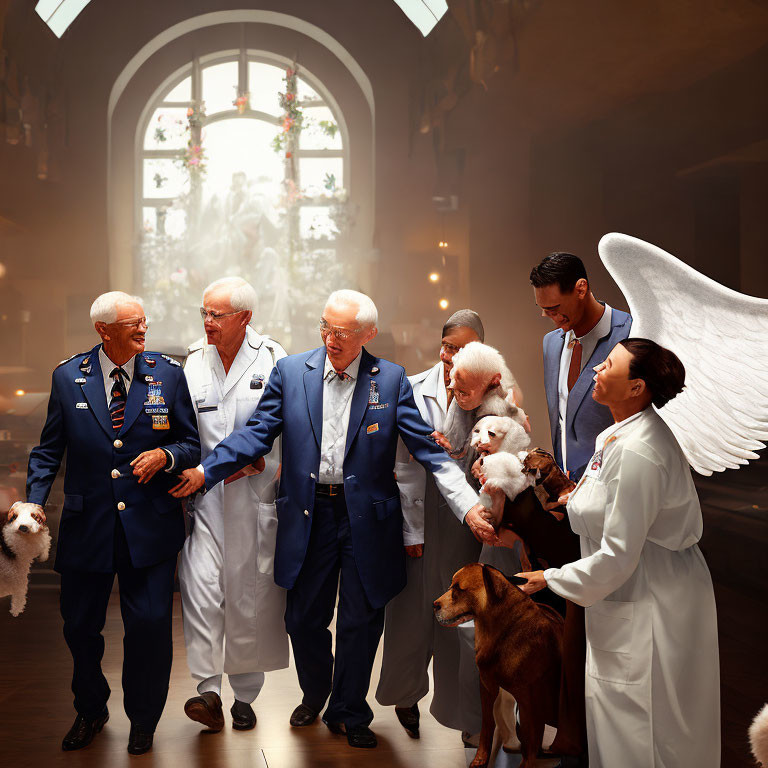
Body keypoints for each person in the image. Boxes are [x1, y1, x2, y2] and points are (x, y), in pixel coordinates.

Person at [168, 289, 493, 749]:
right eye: (325, 327)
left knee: (361, 622)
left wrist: (468, 506)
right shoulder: (291, 372)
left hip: (367, 521)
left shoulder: (391, 380)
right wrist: (205, 471)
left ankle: (349, 710)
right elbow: (257, 434)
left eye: (341, 332)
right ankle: (317, 691)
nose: (330, 338)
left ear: (367, 335)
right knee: (302, 618)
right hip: (309, 514)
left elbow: (429, 453)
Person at [517, 338, 720, 767]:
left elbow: (619, 554)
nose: (595, 371)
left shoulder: (638, 450)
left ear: (636, 388)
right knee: (620, 716)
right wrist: (563, 499)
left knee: (643, 727)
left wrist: (549, 578)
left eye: (608, 365)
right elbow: (604, 505)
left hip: (650, 598)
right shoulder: (616, 435)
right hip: (627, 592)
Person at [24, 291, 200, 755]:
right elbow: (48, 450)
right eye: (132, 324)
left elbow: (191, 444)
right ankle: (91, 709)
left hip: (150, 528)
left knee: (150, 627)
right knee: (80, 627)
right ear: (103, 330)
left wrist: (166, 454)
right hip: (88, 527)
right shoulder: (68, 377)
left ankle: (144, 719)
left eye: (144, 321)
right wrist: (34, 501)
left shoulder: (168, 373)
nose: (143, 330)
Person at [178, 277, 289, 732]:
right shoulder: (193, 362)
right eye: (204, 313)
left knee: (250, 598)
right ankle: (208, 691)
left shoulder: (275, 358)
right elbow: (184, 430)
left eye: (217, 315)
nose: (208, 323)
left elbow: (288, 426)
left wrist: (267, 464)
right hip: (205, 501)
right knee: (201, 589)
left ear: (244, 317)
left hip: (254, 498)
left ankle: (245, 696)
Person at [376, 309, 485, 743]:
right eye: (447, 346)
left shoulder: (494, 392)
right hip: (416, 516)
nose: (451, 356)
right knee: (407, 615)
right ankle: (405, 697)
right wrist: (407, 530)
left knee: (460, 618)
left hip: (463, 523)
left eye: (462, 348)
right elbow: (398, 463)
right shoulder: (411, 387)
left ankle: (466, 716)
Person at [530, 252, 631, 482]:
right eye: (543, 308)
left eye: (554, 307)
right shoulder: (550, 344)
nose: (547, 315)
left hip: (618, 486)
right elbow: (562, 422)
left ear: (581, 289)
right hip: (567, 493)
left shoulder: (631, 334)